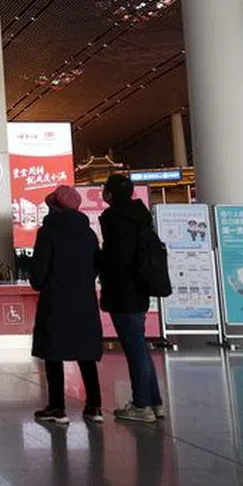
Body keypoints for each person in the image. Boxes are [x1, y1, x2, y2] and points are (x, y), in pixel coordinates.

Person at [30, 185, 103, 425]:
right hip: (84, 300)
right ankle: (94, 407)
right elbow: (95, 267)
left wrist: (41, 281)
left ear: (54, 207)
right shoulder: (89, 234)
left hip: (56, 301)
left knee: (54, 353)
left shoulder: (48, 232)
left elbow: (38, 274)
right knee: (86, 354)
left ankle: (57, 407)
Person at [99, 174, 164, 423]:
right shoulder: (140, 216)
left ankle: (141, 405)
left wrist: (99, 262)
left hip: (122, 290)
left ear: (111, 193)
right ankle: (154, 402)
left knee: (134, 347)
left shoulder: (115, 219)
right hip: (140, 288)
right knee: (140, 346)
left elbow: (116, 258)